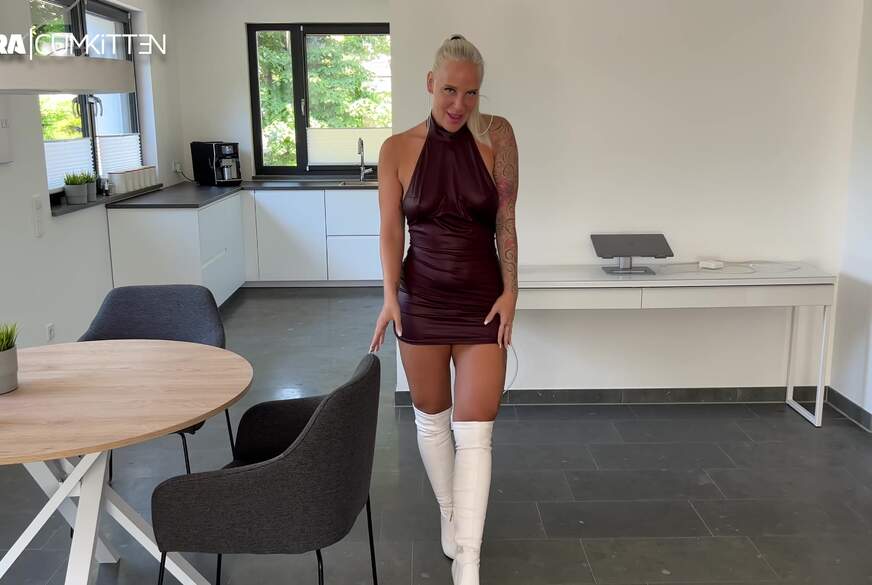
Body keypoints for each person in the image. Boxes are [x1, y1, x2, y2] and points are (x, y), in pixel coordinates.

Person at [369, 33, 519, 585]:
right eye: (450, 90)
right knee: (432, 420)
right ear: (431, 83)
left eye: (471, 93)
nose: (460, 104)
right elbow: (390, 231)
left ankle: (469, 563)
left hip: (482, 304)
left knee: (475, 431)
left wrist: (512, 291)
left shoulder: (497, 137)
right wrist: (390, 296)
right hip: (422, 302)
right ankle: (450, 512)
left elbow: (506, 221)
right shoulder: (396, 149)